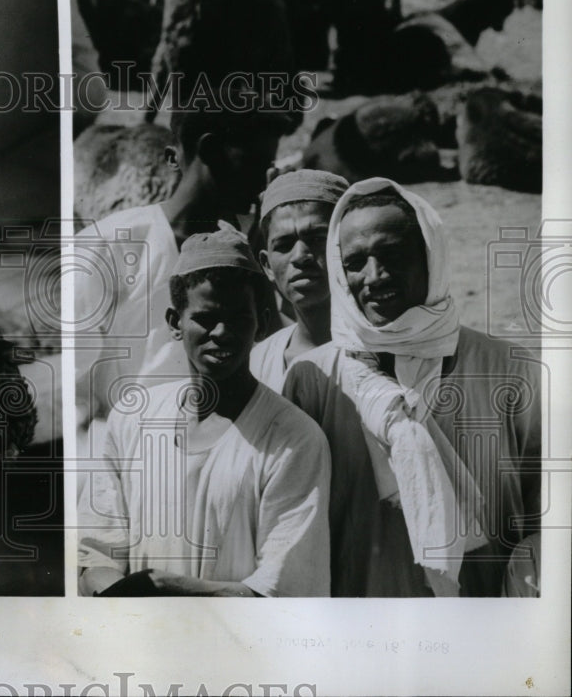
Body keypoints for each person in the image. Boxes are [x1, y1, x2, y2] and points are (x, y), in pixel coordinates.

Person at [283, 178, 541, 597]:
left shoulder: (509, 371)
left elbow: (548, 507)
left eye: (393, 254)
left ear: (430, 255)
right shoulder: (314, 380)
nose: (375, 276)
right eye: (355, 262)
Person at [78, 224, 330, 597]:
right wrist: (119, 597)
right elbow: (95, 555)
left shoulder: (293, 440)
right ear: (174, 324)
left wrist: (164, 588)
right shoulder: (132, 419)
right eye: (206, 319)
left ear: (260, 324)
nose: (222, 333)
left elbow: (284, 589)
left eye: (238, 319)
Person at [74, 99, 289, 455]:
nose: (263, 181)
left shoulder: (257, 247)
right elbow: (75, 389)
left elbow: (280, 365)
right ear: (210, 149)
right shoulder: (109, 244)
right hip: (127, 458)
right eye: (257, 162)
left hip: (232, 456)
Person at [251, 169, 349, 392]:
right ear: (267, 266)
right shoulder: (259, 362)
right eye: (284, 245)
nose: (300, 256)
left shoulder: (382, 350)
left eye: (316, 239)